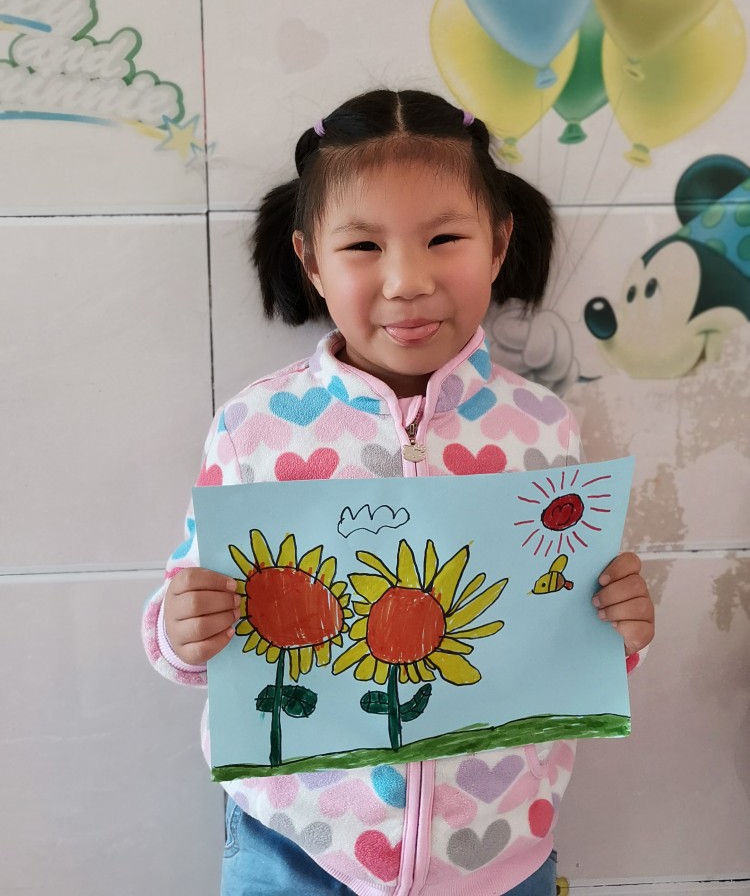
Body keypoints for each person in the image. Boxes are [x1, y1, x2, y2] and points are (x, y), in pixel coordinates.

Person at [142, 89, 655, 896]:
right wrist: (181, 631)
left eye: (444, 238)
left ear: (499, 243)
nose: (408, 281)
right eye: (362, 246)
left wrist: (620, 626)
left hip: (501, 851)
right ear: (311, 261)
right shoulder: (255, 428)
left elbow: (565, 624)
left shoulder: (543, 428)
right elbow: (184, 613)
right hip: (295, 850)